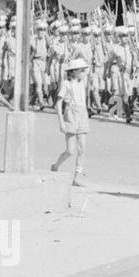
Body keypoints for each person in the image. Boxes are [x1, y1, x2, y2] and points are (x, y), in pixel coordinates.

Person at [50, 57, 91, 185]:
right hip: (71, 114)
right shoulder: (66, 84)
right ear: (73, 72)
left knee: (82, 147)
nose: (84, 73)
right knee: (70, 151)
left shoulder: (83, 83)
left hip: (82, 113)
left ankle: (77, 177)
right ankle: (56, 165)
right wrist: (61, 121)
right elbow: (58, 103)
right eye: (81, 70)